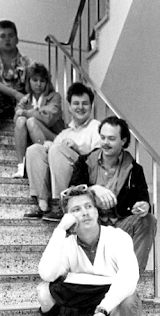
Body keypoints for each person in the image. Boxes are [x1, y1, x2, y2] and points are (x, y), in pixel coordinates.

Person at [37, 186, 141, 316]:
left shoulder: (117, 237)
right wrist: (59, 230)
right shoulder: (67, 244)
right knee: (44, 290)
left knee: (128, 296)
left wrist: (101, 312)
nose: (84, 212)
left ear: (97, 211)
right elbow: (47, 274)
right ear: (68, 216)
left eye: (88, 206)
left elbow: (129, 277)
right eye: (76, 209)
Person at [68, 116, 157, 272]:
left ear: (123, 141)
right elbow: (71, 193)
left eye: (111, 138)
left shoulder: (134, 169)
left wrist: (143, 206)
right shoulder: (85, 161)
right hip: (92, 224)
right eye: (102, 137)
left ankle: (130, 276)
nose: (105, 143)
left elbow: (143, 199)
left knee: (148, 220)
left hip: (119, 225)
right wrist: (93, 188)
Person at [24, 82, 101, 220]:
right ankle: (42, 204)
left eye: (85, 103)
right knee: (35, 149)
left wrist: (78, 148)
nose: (80, 107)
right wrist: (46, 145)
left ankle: (62, 204)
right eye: (76, 103)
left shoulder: (96, 127)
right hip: (64, 170)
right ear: (70, 107)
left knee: (57, 148)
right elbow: (52, 152)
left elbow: (99, 158)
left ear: (91, 106)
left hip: (83, 176)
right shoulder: (65, 133)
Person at [0, 20, 33, 144]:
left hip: (21, 103)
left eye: (11, 36)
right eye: (3, 36)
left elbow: (38, 80)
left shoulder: (27, 62)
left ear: (17, 39)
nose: (7, 39)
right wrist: (14, 93)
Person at [13, 62, 64, 178]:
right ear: (29, 81)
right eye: (34, 80)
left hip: (53, 137)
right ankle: (21, 166)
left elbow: (49, 118)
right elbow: (16, 117)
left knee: (31, 121)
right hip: (32, 137)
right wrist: (28, 113)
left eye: (42, 81)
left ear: (47, 82)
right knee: (20, 121)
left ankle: (45, 162)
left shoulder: (54, 97)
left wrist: (27, 112)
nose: (38, 84)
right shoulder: (26, 99)